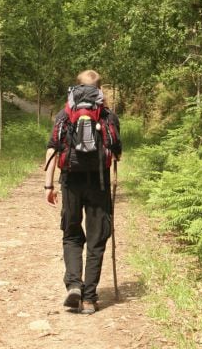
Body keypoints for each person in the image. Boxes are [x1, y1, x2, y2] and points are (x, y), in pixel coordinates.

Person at [43, 69, 121, 315]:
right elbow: (116, 152)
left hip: (70, 182)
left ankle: (74, 285)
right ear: (100, 90)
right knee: (97, 239)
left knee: (72, 234)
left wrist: (49, 185)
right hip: (98, 183)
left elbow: (52, 150)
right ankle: (89, 299)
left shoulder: (65, 114)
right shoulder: (107, 115)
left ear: (74, 88)